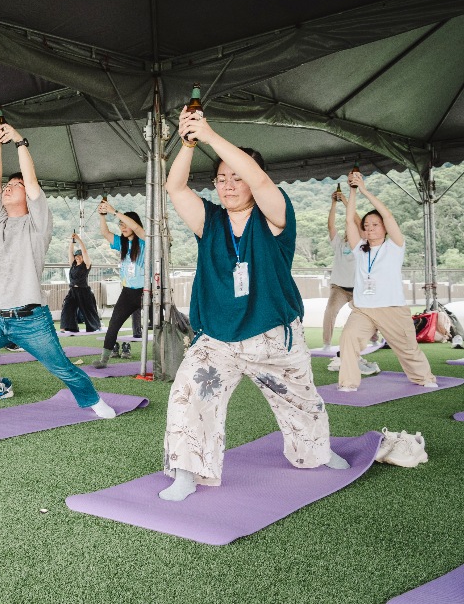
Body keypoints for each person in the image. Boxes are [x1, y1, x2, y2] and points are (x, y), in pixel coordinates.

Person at [159, 104, 348, 502]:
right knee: (189, 394)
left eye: (237, 177)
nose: (228, 185)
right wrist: (189, 143)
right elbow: (175, 188)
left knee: (301, 402)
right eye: (221, 179)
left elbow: (261, 181)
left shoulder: (275, 215)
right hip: (217, 338)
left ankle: (315, 452)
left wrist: (210, 135)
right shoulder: (209, 220)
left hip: (273, 335)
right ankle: (188, 471)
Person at [0, 121, 115, 427]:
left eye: (16, 185)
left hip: (30, 320)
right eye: (8, 185)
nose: (8, 187)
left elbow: (32, 182)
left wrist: (18, 141)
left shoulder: (38, 225)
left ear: (29, 195)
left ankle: (93, 400)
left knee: (61, 367)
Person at [338, 172, 437, 391]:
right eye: (366, 225)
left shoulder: (395, 246)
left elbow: (389, 216)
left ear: (384, 228)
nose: (370, 228)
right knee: (349, 338)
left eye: (375, 224)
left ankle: (424, 377)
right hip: (363, 309)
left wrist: (364, 190)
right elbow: (349, 220)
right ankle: (348, 383)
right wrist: (352, 191)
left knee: (408, 348)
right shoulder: (359, 249)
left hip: (392, 308)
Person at [322, 188, 378, 376]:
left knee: (368, 313)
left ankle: (374, 338)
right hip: (339, 287)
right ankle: (326, 343)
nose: (349, 229)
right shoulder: (339, 244)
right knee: (330, 311)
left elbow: (358, 221)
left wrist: (346, 200)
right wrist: (334, 203)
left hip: (358, 288)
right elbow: (330, 226)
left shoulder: (362, 244)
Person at [94, 203, 146, 368]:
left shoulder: (145, 240)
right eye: (120, 225)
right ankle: (104, 360)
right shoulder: (122, 243)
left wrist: (114, 212)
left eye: (125, 224)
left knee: (161, 324)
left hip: (147, 292)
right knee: (114, 323)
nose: (122, 227)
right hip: (128, 293)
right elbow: (105, 233)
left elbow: (136, 228)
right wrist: (102, 216)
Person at [59, 232, 102, 333]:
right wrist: (72, 241)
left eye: (80, 256)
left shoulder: (86, 265)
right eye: (76, 255)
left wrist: (79, 239)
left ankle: (95, 326)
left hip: (84, 291)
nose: (77, 257)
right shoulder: (73, 264)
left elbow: (85, 252)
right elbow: (70, 252)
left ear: (83, 257)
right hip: (73, 290)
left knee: (88, 310)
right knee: (67, 306)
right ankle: (66, 327)